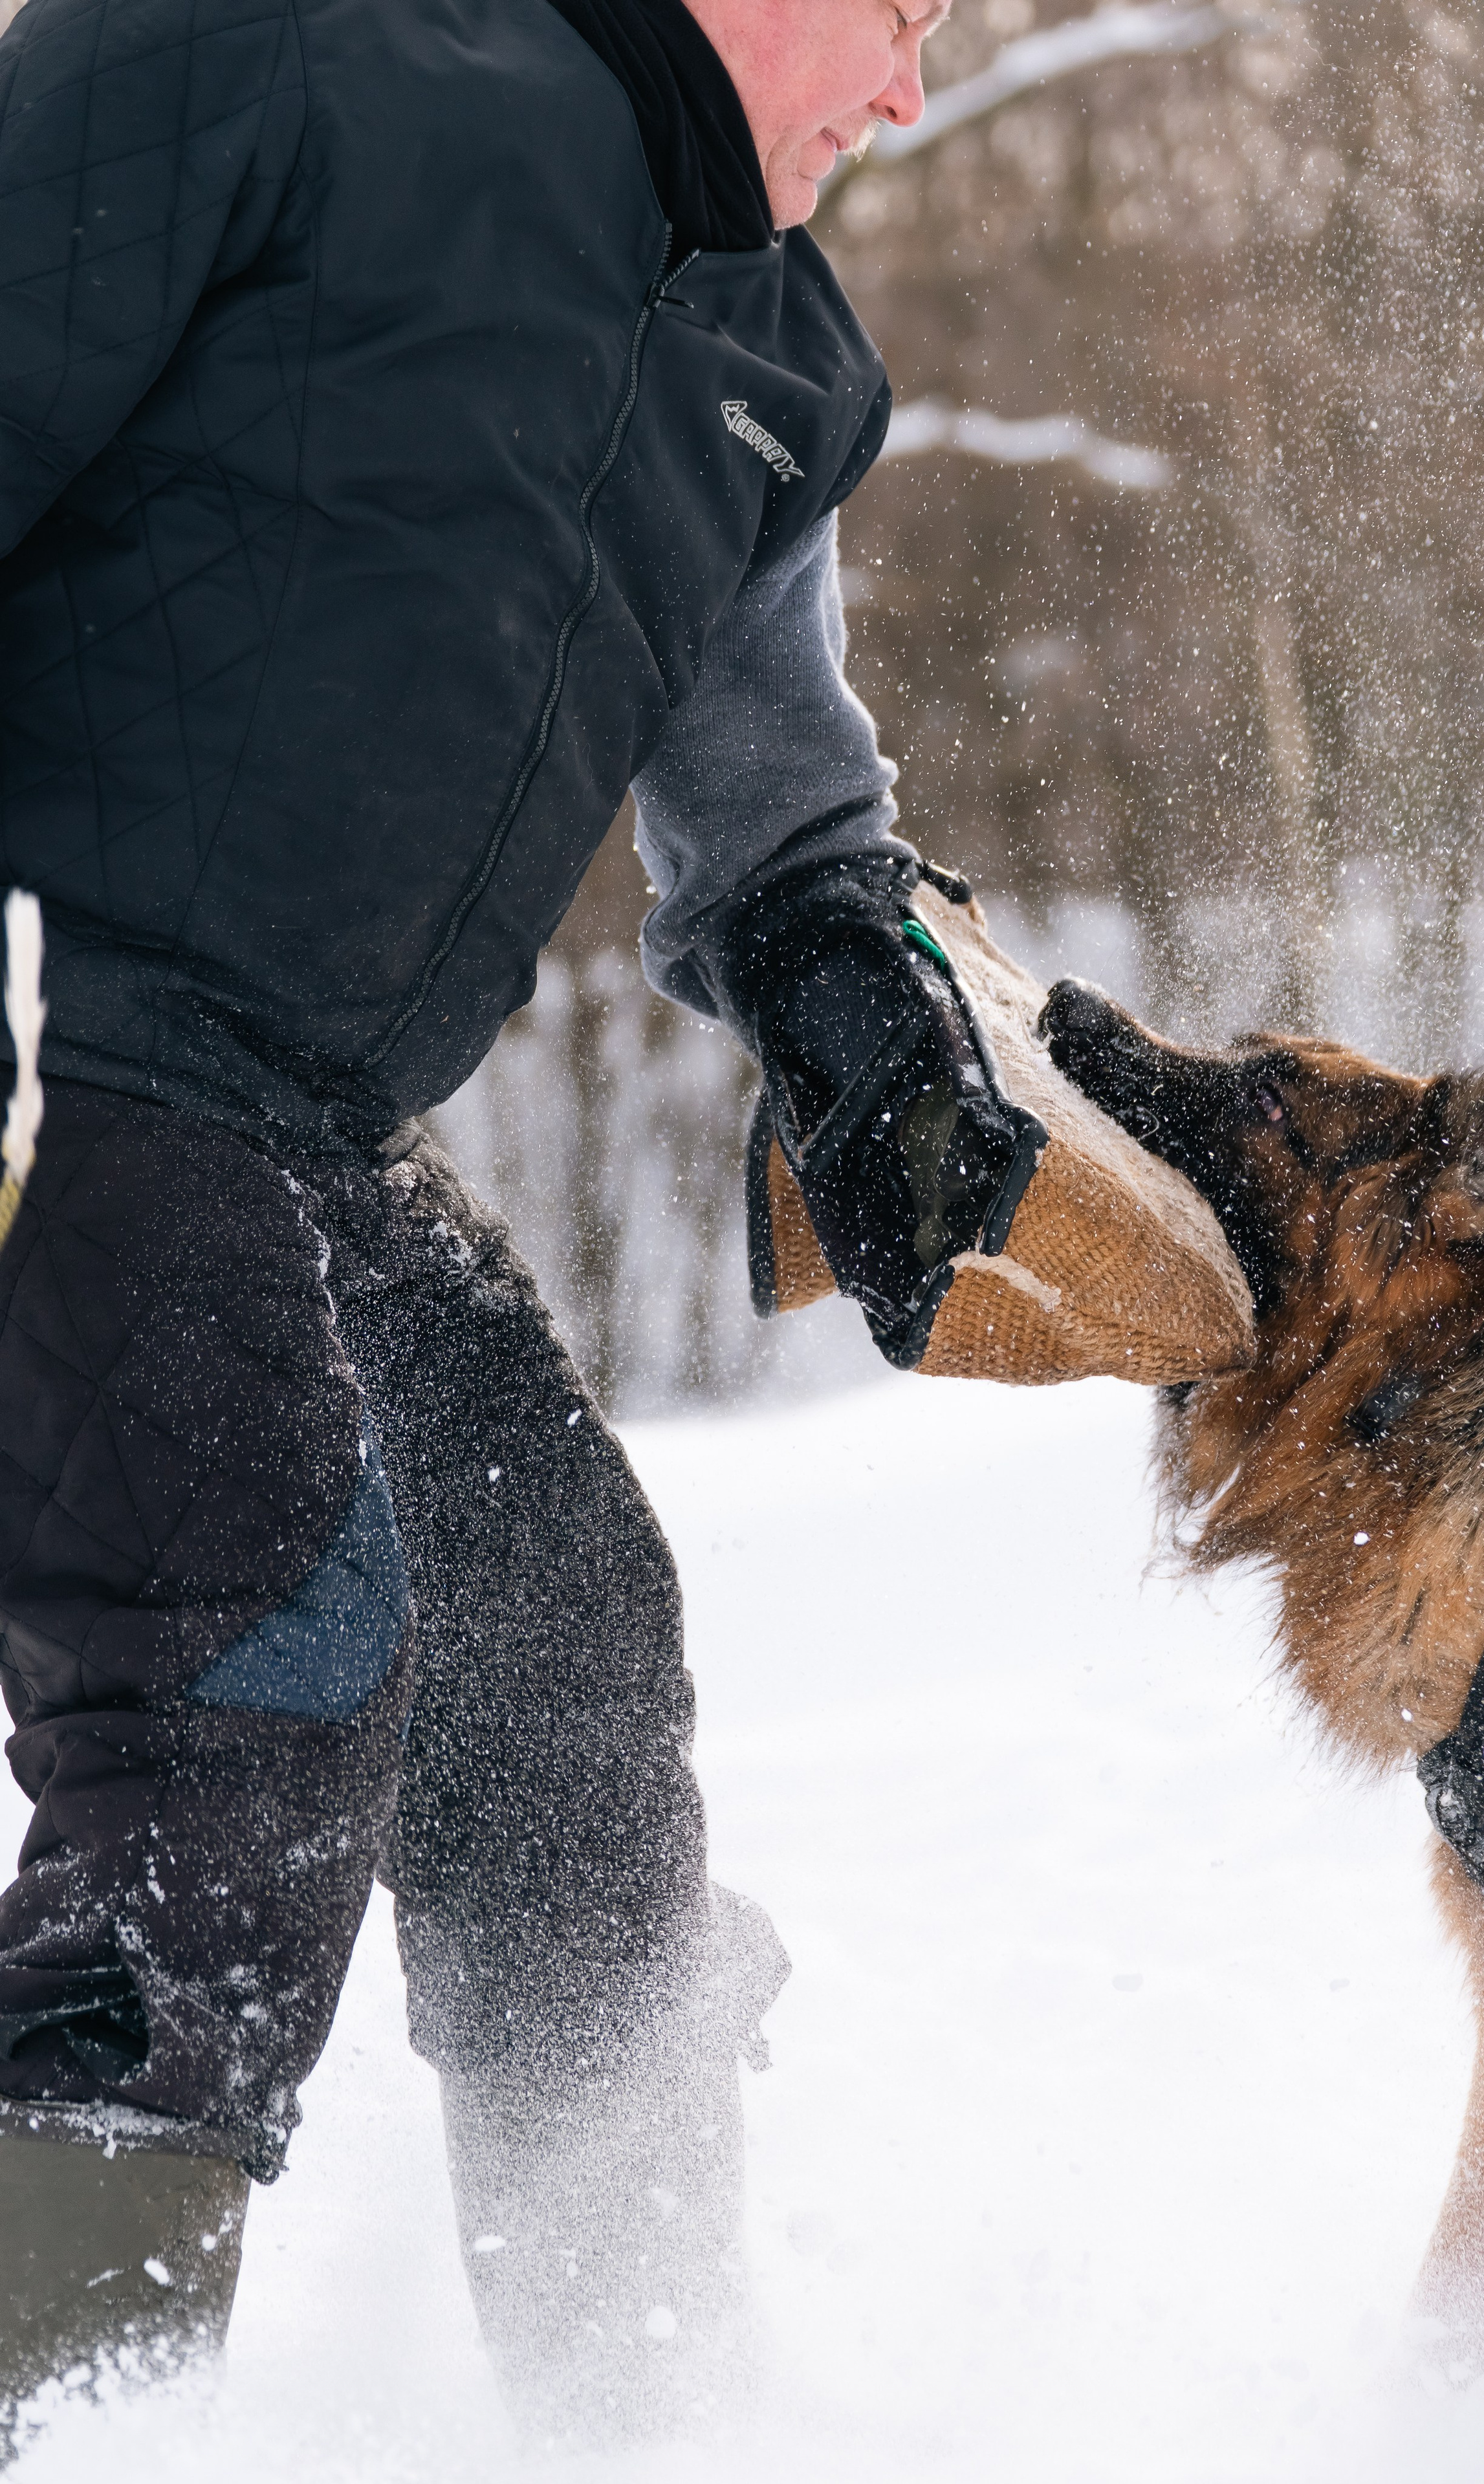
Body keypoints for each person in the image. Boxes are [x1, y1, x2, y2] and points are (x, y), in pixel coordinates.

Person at [0, 0, 1067, 2448]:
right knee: (248, 1696)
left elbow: (777, 799)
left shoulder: (777, 354)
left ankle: (644, 2420)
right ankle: (67, 2427)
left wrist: (849, 992)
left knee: (559, 1672)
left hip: (290, 1119)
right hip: (65, 1022)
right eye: (899, 16)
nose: (909, 94)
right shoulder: (267, 48)